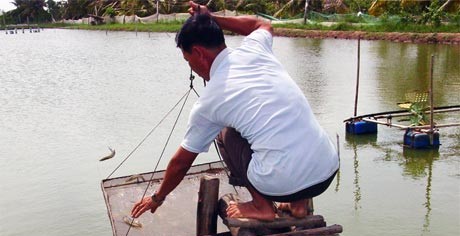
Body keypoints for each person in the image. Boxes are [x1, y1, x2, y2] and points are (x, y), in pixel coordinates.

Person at [131, 1, 339, 221]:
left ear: (199, 53)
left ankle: (262, 207)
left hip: (282, 183)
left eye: (188, 60)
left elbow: (181, 162)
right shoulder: (255, 48)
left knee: (225, 134)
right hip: (326, 171)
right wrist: (213, 17)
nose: (191, 68)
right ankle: (299, 206)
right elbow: (262, 24)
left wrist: (157, 197)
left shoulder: (211, 100)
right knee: (280, 125)